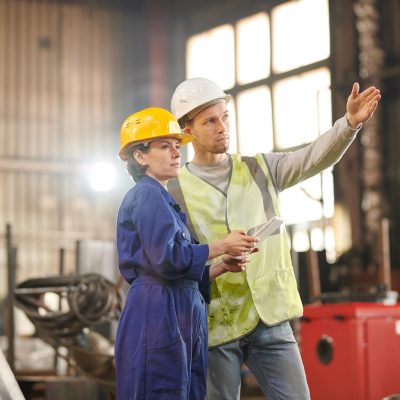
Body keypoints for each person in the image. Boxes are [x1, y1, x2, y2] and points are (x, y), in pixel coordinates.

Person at [167, 77, 381, 400]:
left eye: (225, 117)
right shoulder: (174, 191)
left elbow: (312, 158)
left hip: (271, 317)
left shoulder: (261, 169)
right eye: (210, 121)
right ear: (187, 131)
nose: (222, 127)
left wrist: (348, 124)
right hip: (216, 324)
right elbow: (176, 258)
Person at [114, 107, 257, 400]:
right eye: (164, 146)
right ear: (140, 156)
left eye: (177, 146)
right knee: (160, 390)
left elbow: (175, 267)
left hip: (175, 309)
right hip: (158, 313)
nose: (176, 153)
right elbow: (166, 259)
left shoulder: (163, 200)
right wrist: (221, 245)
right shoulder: (147, 194)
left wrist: (219, 266)